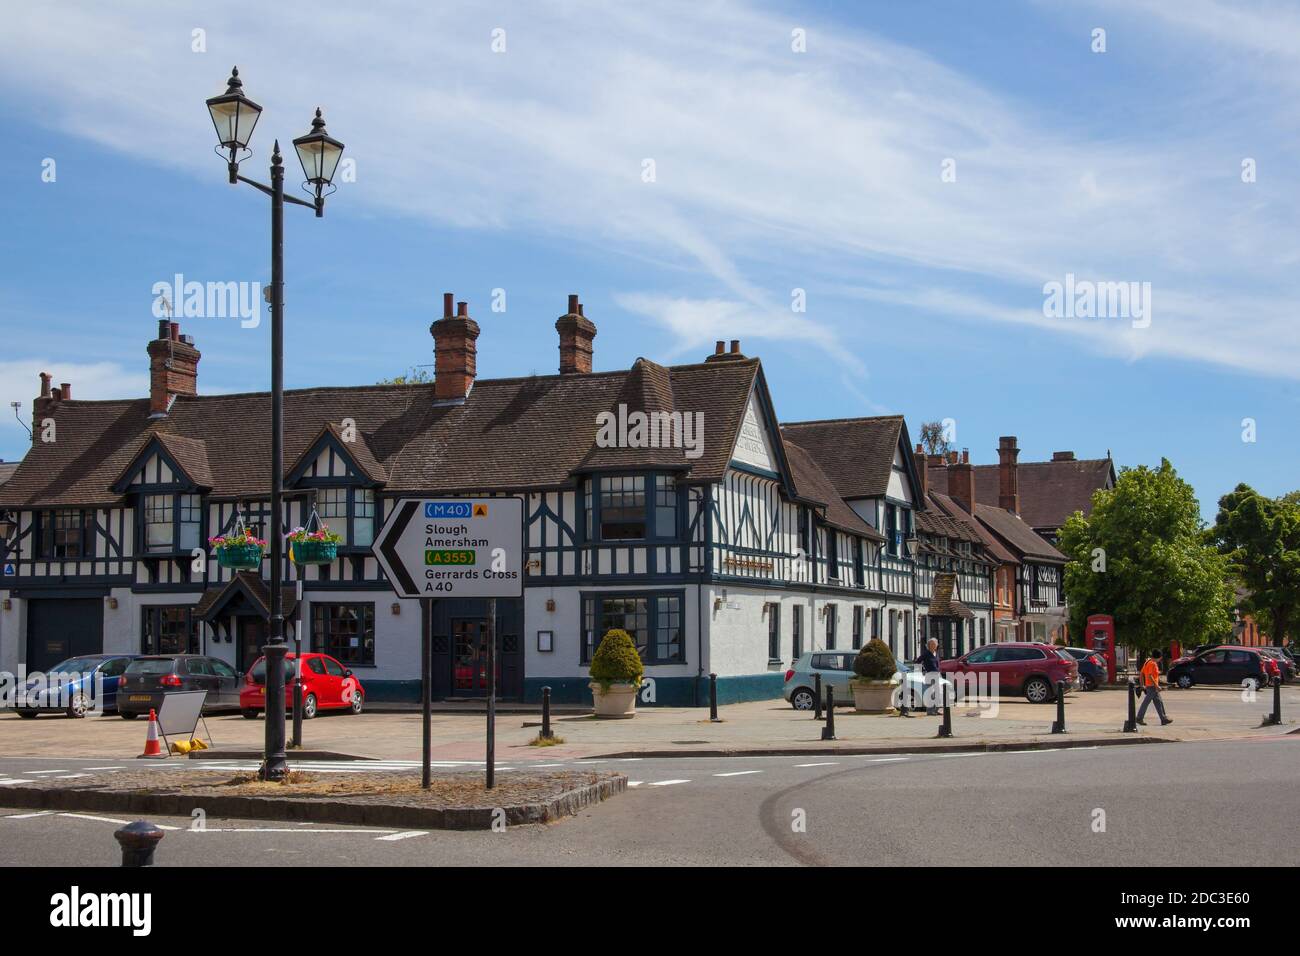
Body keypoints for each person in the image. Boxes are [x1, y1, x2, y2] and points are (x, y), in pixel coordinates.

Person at [1136, 649, 1173, 726]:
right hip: (1152, 687)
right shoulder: (1153, 664)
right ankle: (1139, 717)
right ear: (1159, 657)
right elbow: (1150, 676)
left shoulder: (1147, 662)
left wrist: (1142, 685)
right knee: (1146, 702)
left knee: (1158, 702)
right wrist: (1157, 686)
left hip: (1149, 686)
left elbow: (1141, 674)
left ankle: (1163, 719)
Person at [919, 637, 942, 716]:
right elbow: (917, 661)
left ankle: (936, 710)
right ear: (929, 645)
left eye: (935, 644)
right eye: (932, 644)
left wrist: (939, 672)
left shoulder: (936, 653)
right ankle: (930, 711)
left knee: (938, 693)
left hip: (937, 675)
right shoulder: (926, 653)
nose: (933, 645)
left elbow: (937, 664)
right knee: (930, 693)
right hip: (929, 675)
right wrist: (923, 670)